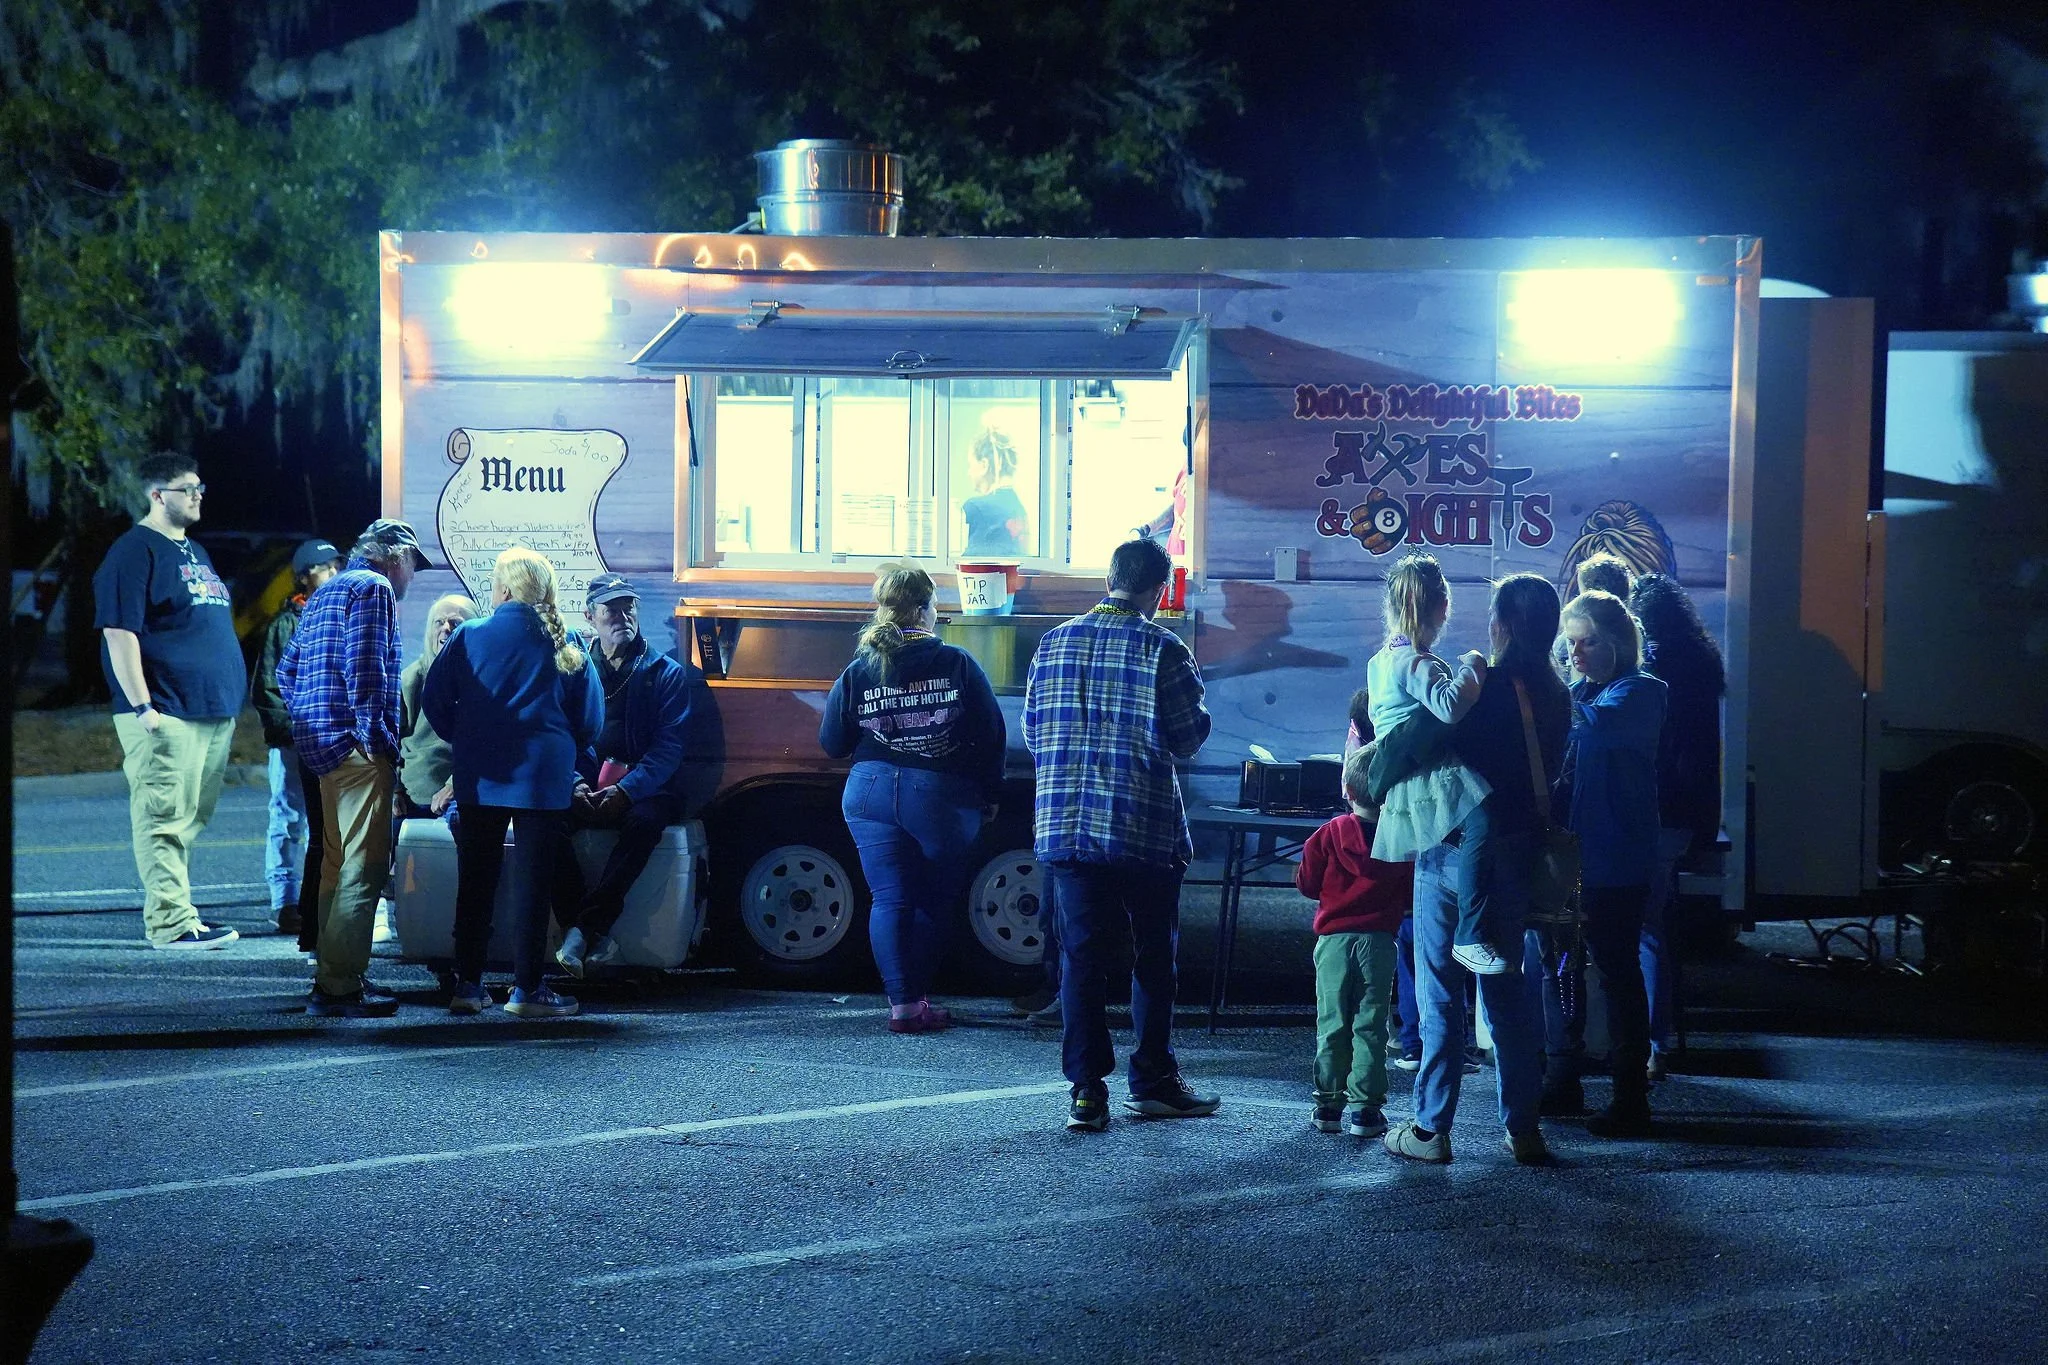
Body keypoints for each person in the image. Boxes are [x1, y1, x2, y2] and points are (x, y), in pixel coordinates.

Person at [1024, 536, 1217, 1130]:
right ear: (1158, 591)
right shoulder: (1164, 649)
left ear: (1109, 578)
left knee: (1081, 959)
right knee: (1153, 955)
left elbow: (1034, 735)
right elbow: (1188, 738)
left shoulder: (1051, 645)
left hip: (1065, 827)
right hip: (1143, 828)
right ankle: (1154, 1079)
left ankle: (1086, 1092)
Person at [1384, 573, 1567, 1166]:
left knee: (1439, 994)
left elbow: (1426, 745)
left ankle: (1432, 1129)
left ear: (1503, 624)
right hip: (1513, 855)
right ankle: (1524, 1127)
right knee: (1507, 992)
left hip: (1448, 850)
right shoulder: (1557, 694)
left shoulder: (1484, 687)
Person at [819, 564, 1006, 1032]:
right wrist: (990, 792)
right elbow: (990, 734)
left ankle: (903, 1005)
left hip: (869, 793)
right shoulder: (956, 662)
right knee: (932, 900)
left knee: (889, 899)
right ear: (924, 609)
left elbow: (833, 743)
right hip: (939, 796)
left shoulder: (859, 667)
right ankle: (920, 998)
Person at [424, 547, 602, 1019]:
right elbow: (590, 719)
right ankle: (527, 991)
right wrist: (565, 748)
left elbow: (435, 698)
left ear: (502, 589)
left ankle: (467, 985)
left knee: (476, 880)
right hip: (543, 776)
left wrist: (464, 737)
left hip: (481, 775)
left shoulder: (468, 635)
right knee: (533, 884)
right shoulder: (567, 644)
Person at [92, 454, 246, 950]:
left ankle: (182, 913)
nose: (198, 494)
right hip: (164, 711)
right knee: (162, 819)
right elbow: (120, 633)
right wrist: (143, 709)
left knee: (186, 820)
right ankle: (171, 925)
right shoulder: (134, 551)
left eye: (200, 486)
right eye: (186, 488)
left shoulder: (194, 551)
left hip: (208, 711)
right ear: (158, 495)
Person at [278, 519, 430, 1017]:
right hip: (357, 749)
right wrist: (379, 740)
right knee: (363, 869)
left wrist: (309, 722)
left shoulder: (326, 592)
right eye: (413, 564)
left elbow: (287, 670)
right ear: (396, 557)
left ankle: (331, 973)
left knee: (334, 864)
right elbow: (366, 667)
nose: (411, 576)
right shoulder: (374, 586)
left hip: (321, 747)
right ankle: (341, 984)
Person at [1551, 589, 1667, 1137]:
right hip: (1576, 855)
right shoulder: (1585, 691)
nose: (1577, 653)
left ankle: (1629, 1096)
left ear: (1619, 642)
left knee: (1617, 973)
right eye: (1571, 643)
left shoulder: (1643, 692)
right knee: (1565, 968)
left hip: (1617, 856)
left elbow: (1594, 729)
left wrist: (1545, 689)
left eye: (1588, 641)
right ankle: (1564, 1077)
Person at [550, 573, 701, 976]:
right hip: (583, 784)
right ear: (590, 616)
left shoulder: (663, 672)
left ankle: (584, 928)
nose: (622, 616)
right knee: (546, 822)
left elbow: (668, 749)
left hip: (644, 788)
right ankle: (585, 931)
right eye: (610, 609)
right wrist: (574, 783)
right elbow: (557, 736)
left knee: (644, 822)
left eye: (628, 606)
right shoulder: (574, 668)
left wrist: (627, 790)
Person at [1363, 554, 1501, 972]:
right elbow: (1449, 706)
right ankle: (1471, 934)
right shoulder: (1414, 661)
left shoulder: (1383, 658)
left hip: (1407, 773)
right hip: (1430, 773)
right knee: (1482, 820)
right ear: (1442, 608)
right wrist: (1474, 668)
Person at [1630, 572, 1725, 1082]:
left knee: (1639, 928)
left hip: (1657, 810)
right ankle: (1655, 1041)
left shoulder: (1656, 669)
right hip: (1690, 815)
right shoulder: (1702, 662)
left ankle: (1645, 1042)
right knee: (1653, 927)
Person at [1297, 744, 1412, 1139]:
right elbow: (1410, 894)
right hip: (1379, 941)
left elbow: (1308, 885)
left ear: (1347, 789)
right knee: (1371, 1024)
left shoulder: (1328, 834)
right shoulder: (1399, 838)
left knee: (1332, 1022)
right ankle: (1366, 1112)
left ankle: (1327, 1106)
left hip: (1333, 940)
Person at [249, 539, 342, 936]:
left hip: (330, 738)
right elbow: (267, 686)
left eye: (337, 565)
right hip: (295, 739)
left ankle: (319, 899)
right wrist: (290, 731)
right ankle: (286, 901)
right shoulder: (285, 624)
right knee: (288, 816)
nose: (334, 573)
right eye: (325, 568)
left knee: (327, 823)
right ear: (304, 577)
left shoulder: (341, 617)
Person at [1553, 551, 1634, 680]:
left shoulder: (1569, 638)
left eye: (1589, 643)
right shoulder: (1641, 630)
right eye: (1572, 642)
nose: (1575, 650)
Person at [959, 428, 1030, 558]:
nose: (969, 473)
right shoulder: (1019, 509)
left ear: (984, 465)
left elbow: (965, 567)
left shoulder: (975, 508)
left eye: (970, 464)